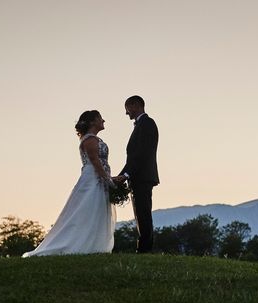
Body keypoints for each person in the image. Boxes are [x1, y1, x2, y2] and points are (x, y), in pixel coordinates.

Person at [23, 110, 117, 257]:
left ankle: (93, 245)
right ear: (92, 122)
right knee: (86, 209)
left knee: (96, 210)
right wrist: (107, 179)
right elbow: (95, 161)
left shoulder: (93, 139)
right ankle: (75, 243)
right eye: (100, 118)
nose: (103, 120)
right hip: (93, 178)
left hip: (100, 177)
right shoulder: (90, 140)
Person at [117, 95, 159, 253]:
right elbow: (135, 156)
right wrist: (123, 175)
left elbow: (141, 154)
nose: (126, 113)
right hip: (139, 176)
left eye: (127, 108)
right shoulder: (141, 125)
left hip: (142, 177)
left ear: (135, 105)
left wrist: (126, 175)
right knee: (140, 212)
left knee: (143, 212)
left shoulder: (147, 124)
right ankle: (143, 247)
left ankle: (144, 249)